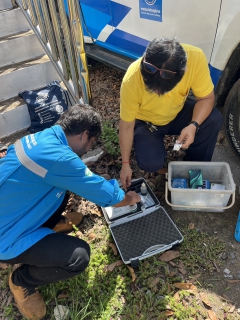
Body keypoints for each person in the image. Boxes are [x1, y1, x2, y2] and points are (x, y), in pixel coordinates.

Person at [0, 104, 140, 320]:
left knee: (62, 186)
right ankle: (22, 281)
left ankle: (48, 226)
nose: (88, 147)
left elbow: (77, 178)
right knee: (78, 258)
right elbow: (105, 195)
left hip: (12, 211)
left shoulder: (43, 138)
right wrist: (129, 198)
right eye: (91, 142)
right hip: (6, 237)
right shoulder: (60, 159)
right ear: (84, 135)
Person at [119, 37, 223, 190]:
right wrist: (125, 164)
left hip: (177, 112)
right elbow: (126, 126)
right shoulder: (131, 79)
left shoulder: (195, 58)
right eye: (151, 89)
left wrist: (193, 125)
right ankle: (167, 170)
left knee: (213, 120)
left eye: (164, 90)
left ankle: (195, 167)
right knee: (150, 162)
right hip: (148, 122)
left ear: (182, 73)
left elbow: (206, 98)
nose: (157, 93)